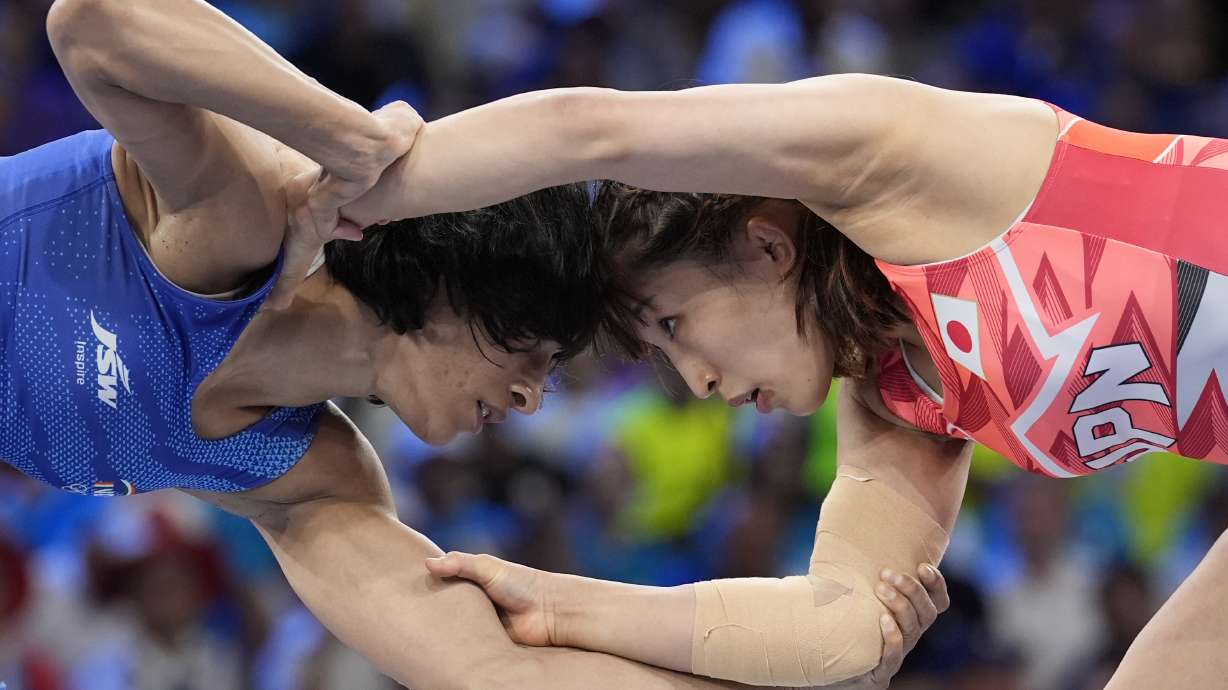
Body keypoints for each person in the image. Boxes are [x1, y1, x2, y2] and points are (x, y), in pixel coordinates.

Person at [0, 1, 943, 688]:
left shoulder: (307, 475)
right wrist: (347, 137)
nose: (533, 400)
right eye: (533, 352)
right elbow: (91, 23)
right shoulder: (245, 224)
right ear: (459, 290)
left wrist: (809, 677)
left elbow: (491, 671)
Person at [338, 73, 1228, 688]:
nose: (698, 383)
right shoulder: (898, 400)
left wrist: (347, 192)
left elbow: (590, 130)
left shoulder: (897, 163)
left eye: (676, 326)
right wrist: (560, 603)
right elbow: (838, 632)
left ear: (769, 246)